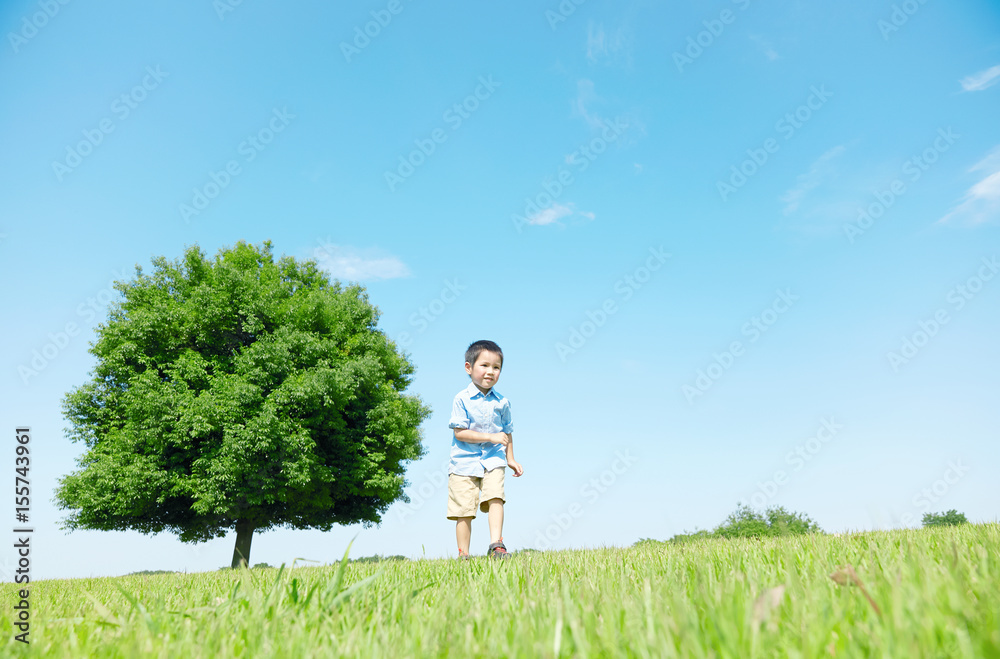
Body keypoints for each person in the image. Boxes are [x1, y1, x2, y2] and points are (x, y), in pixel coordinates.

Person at [446, 339, 524, 559]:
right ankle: (464, 554)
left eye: (496, 367)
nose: (490, 372)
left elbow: (507, 432)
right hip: (463, 462)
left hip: (493, 459)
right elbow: (459, 432)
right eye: (484, 366)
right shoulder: (461, 399)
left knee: (496, 497)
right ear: (468, 368)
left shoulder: (503, 402)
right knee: (464, 511)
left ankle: (496, 545)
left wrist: (511, 458)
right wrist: (490, 436)